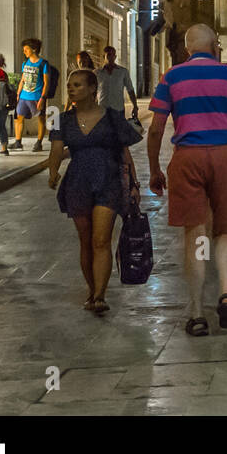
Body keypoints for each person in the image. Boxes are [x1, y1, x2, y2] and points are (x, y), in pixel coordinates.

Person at [147, 24, 227, 337]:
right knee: (223, 230)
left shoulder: (172, 77)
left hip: (188, 156)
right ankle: (225, 293)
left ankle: (197, 312)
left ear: (187, 49)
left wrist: (155, 168)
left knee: (196, 234)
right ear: (215, 46)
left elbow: (156, 128)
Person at [47, 70, 143, 314]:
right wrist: (53, 172)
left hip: (108, 179)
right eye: (70, 85)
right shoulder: (61, 118)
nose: (71, 89)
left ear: (92, 88)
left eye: (77, 85)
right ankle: (92, 289)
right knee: (86, 241)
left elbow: (124, 151)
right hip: (78, 181)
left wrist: (133, 184)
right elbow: (57, 149)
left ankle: (100, 294)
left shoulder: (112, 117)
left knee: (101, 240)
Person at [11, 38, 53, 152]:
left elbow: (46, 82)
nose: (24, 52)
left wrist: (43, 98)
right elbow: (23, 79)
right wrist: (18, 93)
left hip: (37, 96)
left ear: (34, 50)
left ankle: (39, 143)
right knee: (18, 117)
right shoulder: (25, 63)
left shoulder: (43, 64)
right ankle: (18, 141)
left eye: (26, 49)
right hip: (24, 95)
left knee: (40, 118)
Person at [96, 46, 139, 121]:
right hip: (102, 110)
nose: (111, 57)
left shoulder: (123, 72)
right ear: (104, 56)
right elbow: (92, 91)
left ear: (115, 57)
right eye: (109, 55)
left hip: (118, 110)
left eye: (113, 55)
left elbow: (130, 90)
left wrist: (135, 106)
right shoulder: (97, 73)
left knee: (118, 132)